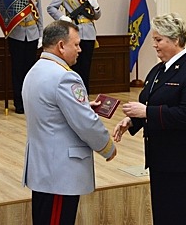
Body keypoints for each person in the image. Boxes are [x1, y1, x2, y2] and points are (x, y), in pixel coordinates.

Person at [113, 13, 186, 225]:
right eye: (154, 39)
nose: (154, 45)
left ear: (176, 40)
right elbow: (151, 104)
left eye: (159, 40)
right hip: (164, 160)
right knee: (166, 214)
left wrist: (146, 113)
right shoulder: (158, 71)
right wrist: (133, 121)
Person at [22, 20, 117, 225]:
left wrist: (81, 106)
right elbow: (86, 124)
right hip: (59, 173)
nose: (80, 49)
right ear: (61, 46)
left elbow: (51, 111)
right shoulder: (65, 77)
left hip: (43, 168)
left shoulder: (35, 70)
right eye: (76, 44)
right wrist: (107, 147)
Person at [47, 0, 101, 94]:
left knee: (86, 67)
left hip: (88, 33)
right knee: (74, 66)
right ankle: (73, 95)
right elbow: (51, 7)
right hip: (73, 33)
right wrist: (61, 18)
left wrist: (96, 7)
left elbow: (97, 16)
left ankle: (85, 95)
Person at [7, 0, 43, 114]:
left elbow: (39, 14)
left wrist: (41, 35)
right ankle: (19, 103)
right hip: (17, 35)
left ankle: (30, 101)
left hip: (32, 34)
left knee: (31, 71)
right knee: (18, 70)